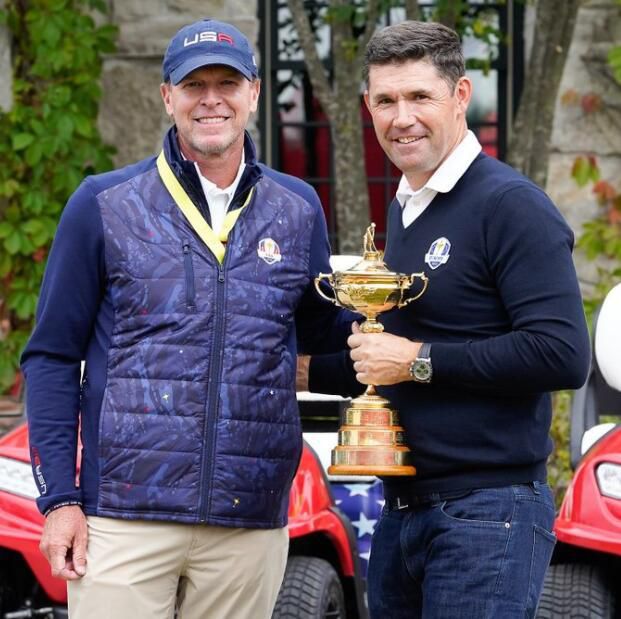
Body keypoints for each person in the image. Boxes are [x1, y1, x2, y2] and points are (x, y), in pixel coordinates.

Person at [21, 18, 352, 619]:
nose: (211, 99)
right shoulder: (103, 204)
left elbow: (321, 336)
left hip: (246, 520)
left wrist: (410, 346)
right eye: (193, 84)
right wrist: (60, 500)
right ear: (167, 96)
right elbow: (49, 358)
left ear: (253, 93)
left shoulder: (297, 208)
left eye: (227, 82)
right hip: (122, 518)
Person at [305, 20, 591, 618]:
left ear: (460, 96)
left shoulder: (510, 206)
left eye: (419, 97)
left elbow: (562, 353)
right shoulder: (407, 209)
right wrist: (303, 370)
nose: (401, 117)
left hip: (490, 513)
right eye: (385, 100)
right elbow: (392, 355)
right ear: (368, 107)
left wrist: (416, 362)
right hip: (406, 508)